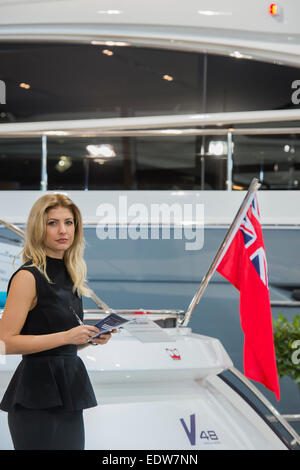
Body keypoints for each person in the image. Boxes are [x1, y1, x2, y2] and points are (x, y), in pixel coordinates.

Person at [0, 193, 114, 450]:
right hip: (36, 396)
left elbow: (58, 343)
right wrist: (66, 337)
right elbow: (4, 342)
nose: (63, 230)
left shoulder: (71, 275)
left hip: (68, 392)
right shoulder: (28, 277)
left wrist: (88, 340)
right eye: (52, 223)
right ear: (39, 228)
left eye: (69, 222)